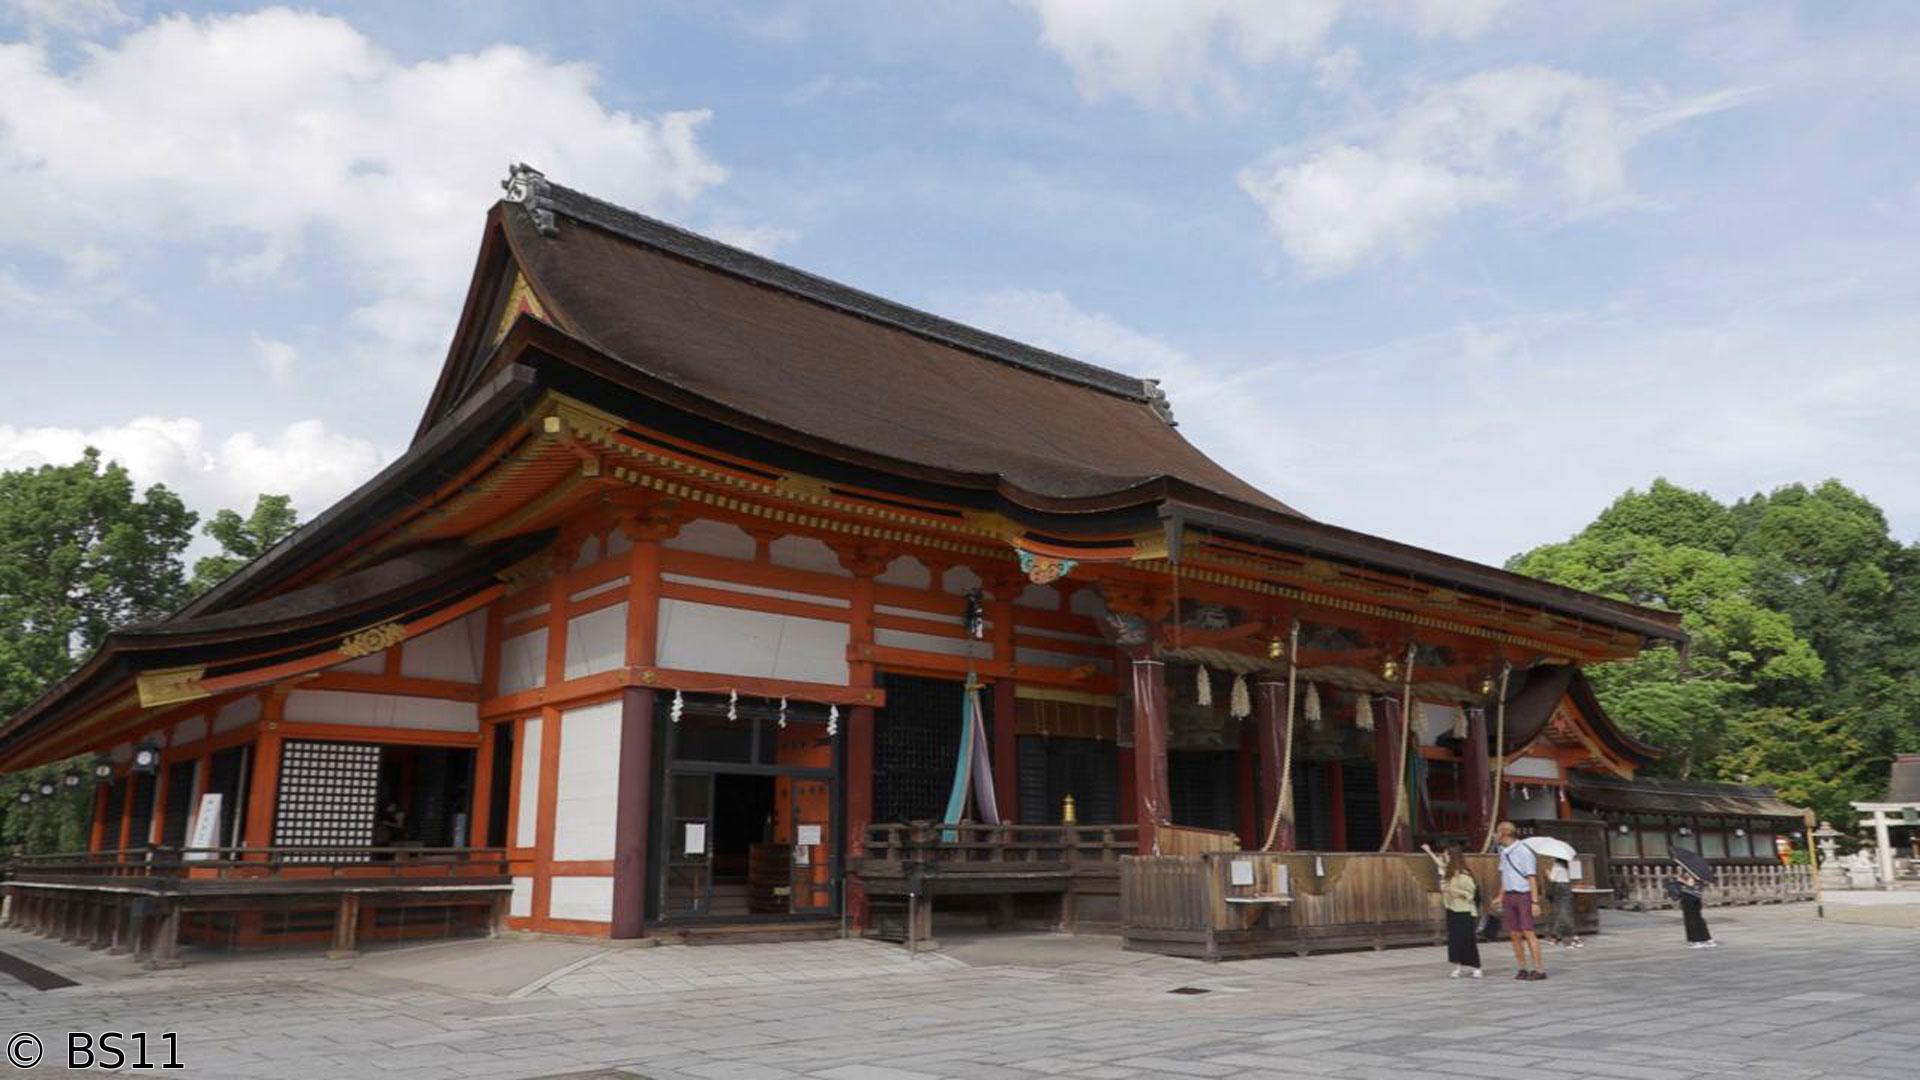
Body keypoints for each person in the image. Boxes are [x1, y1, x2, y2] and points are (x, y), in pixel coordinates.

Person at [1496, 821, 1545, 980]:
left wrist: (1535, 902)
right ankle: (1522, 967)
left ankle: (1539, 969)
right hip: (1509, 895)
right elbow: (1505, 875)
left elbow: (1531, 877)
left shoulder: (1524, 851)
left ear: (1504, 833)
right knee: (1514, 934)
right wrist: (1500, 896)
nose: (1496, 835)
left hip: (1523, 894)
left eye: (1498, 831)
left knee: (1528, 932)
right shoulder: (1503, 852)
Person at [1428, 844, 1483, 978]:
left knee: (1467, 939)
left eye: (1446, 855)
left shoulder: (1464, 874)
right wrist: (1428, 851)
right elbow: (1439, 864)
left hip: (1465, 910)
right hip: (1451, 909)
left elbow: (1470, 894)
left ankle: (1476, 967)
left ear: (1452, 856)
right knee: (1454, 940)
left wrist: (1453, 890)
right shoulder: (1448, 873)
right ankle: (1458, 966)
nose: (1444, 857)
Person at [1672, 867, 1717, 949]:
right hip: (1697, 897)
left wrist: (1681, 880)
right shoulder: (1703, 875)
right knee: (1698, 918)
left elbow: (1690, 884)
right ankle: (1707, 939)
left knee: (1690, 919)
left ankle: (1695, 940)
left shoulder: (1692, 873)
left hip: (1689, 897)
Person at [1545, 856, 1582, 948]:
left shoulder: (1556, 865)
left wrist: (1547, 873)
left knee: (1561, 912)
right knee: (1566, 911)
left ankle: (1567, 936)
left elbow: (1552, 878)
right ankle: (1557, 936)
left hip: (1558, 887)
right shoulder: (1567, 865)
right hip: (1567, 886)